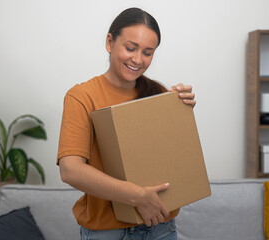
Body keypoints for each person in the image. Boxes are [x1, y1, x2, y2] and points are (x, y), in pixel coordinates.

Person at [57, 7, 196, 240]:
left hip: (162, 229)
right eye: (130, 48)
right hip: (107, 233)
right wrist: (136, 196)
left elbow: (172, 161)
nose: (138, 59)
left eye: (148, 52)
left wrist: (181, 113)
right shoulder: (82, 96)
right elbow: (70, 170)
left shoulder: (158, 94)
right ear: (110, 42)